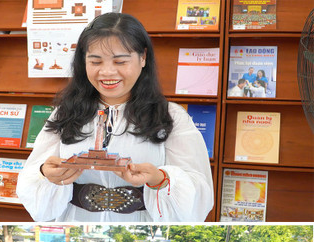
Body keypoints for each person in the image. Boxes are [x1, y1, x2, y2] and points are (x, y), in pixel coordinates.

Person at [17, 13, 213, 222]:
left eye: (120, 61)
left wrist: (160, 179)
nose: (107, 72)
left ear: (143, 57)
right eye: (95, 61)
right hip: (76, 220)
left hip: (140, 222)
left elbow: (199, 190)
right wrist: (46, 174)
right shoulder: (66, 112)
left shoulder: (171, 116)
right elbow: (32, 180)